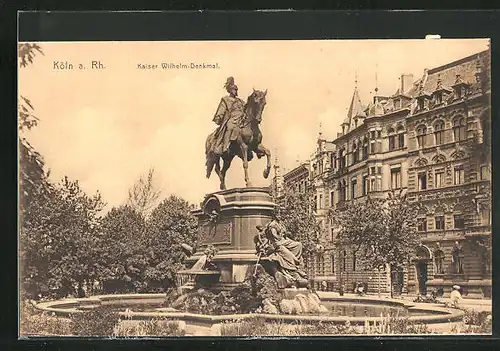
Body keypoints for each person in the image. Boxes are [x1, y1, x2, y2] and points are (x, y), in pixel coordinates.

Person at [211, 77, 246, 156]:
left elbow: (246, 107)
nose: (236, 91)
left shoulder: (240, 101)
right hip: (232, 119)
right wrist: (219, 117)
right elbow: (222, 109)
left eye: (236, 90)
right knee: (229, 126)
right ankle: (225, 146)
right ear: (230, 90)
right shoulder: (225, 99)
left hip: (241, 119)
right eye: (234, 89)